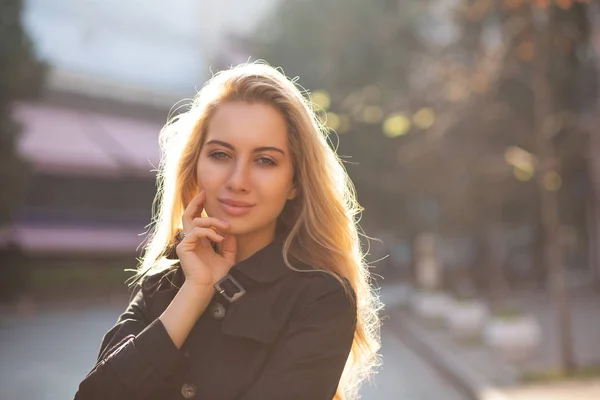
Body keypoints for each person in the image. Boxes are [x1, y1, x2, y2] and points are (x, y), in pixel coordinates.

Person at [74, 62, 381, 400]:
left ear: (295, 182)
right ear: (195, 168)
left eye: (265, 160)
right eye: (220, 155)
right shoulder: (162, 283)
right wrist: (196, 290)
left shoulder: (320, 298)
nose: (237, 181)